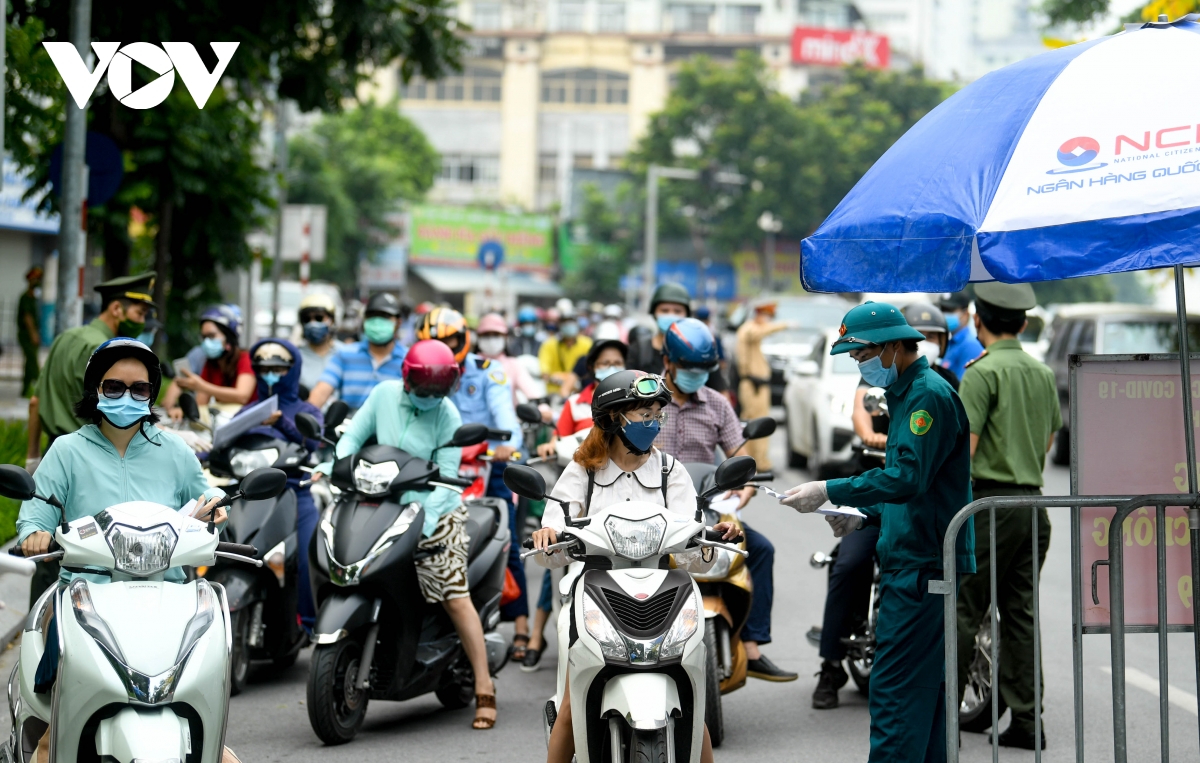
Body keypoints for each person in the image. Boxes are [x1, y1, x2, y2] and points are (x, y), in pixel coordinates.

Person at [16, 338, 231, 763]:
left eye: (139, 389)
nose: (126, 396)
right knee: (50, 740)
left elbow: (206, 492)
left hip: (168, 597)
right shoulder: (67, 450)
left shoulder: (172, 449)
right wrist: (35, 533)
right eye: (113, 387)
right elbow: (36, 512)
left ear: (151, 394)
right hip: (86, 596)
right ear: (95, 389)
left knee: (212, 737)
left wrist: (215, 505)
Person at [782, 301, 975, 763]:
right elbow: (916, 491)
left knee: (895, 697)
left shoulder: (926, 395)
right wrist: (865, 516)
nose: (859, 364)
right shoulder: (908, 393)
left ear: (892, 346)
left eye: (862, 354)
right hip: (917, 558)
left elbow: (908, 477)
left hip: (922, 567)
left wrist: (829, 487)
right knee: (924, 700)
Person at [529, 369, 737, 763]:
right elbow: (552, 533)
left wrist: (711, 537)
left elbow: (691, 539)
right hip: (592, 586)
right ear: (613, 418)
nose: (653, 423)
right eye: (644, 414)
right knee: (575, 702)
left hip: (662, 586)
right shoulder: (583, 471)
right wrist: (548, 535)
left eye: (658, 414)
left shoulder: (668, 470)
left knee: (691, 698)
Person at [316, 340, 498, 729]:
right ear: (407, 381)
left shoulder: (446, 414)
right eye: (423, 390)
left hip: (433, 510)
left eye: (438, 391)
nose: (430, 397)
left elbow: (449, 479)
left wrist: (427, 521)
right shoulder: (382, 395)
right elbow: (352, 436)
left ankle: (484, 687)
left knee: (453, 594)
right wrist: (338, 465)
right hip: (377, 501)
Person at [654, 317, 795, 681]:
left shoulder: (717, 404)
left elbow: (739, 457)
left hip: (707, 509)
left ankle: (752, 646)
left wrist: (744, 486)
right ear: (668, 361)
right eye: (688, 367)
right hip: (650, 511)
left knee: (759, 549)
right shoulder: (647, 399)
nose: (696, 374)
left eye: (704, 369)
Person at [954, 282, 1058, 751]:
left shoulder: (981, 372)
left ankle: (940, 710)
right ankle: (1027, 722)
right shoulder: (1040, 373)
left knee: (962, 608)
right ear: (1021, 322)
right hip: (1032, 505)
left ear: (979, 319)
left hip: (989, 505)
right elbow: (1047, 443)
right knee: (1020, 613)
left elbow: (965, 451)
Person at [418, 308, 530, 657]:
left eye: (449, 340)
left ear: (464, 339)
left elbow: (505, 418)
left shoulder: (488, 371)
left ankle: (522, 626)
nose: (443, 347)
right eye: (434, 341)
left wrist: (504, 446)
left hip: (486, 466)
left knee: (506, 540)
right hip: (436, 466)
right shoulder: (420, 371)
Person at [234, 339, 324, 629]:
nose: (270, 374)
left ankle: (309, 624)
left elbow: (313, 441)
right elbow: (222, 444)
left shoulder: (306, 410)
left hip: (294, 492)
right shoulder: (248, 411)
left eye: (278, 368)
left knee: (311, 557)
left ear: (292, 369)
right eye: (263, 368)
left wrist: (280, 423)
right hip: (248, 495)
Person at [308, 292, 407, 411]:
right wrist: (307, 417)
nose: (377, 321)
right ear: (364, 320)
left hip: (392, 427)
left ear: (398, 322)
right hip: (347, 427)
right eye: (372, 315)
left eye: (385, 316)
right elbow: (321, 392)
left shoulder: (408, 360)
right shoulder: (346, 354)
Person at [164, 305, 256, 420]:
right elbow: (200, 404)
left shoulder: (245, 358)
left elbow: (242, 396)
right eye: (204, 337)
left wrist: (201, 386)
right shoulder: (211, 363)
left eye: (211, 336)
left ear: (229, 336)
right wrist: (182, 411)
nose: (207, 341)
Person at [734, 299, 791, 471]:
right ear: (759, 315)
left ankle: (757, 461)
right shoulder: (749, 329)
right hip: (752, 385)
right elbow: (759, 332)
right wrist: (783, 325)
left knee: (758, 422)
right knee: (756, 424)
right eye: (767, 316)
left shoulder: (752, 330)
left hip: (758, 386)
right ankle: (756, 462)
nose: (768, 321)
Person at [476, 312, 542, 405]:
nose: (491, 340)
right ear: (478, 337)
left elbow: (531, 391)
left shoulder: (513, 364)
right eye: (486, 335)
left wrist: (541, 406)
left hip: (510, 417)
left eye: (496, 335)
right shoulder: (471, 364)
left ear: (505, 337)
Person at [901, 301, 960, 391]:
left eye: (931, 337)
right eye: (917, 336)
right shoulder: (890, 380)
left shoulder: (950, 380)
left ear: (941, 342)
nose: (924, 343)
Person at [538, 303, 592, 398]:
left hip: (581, 394)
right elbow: (545, 374)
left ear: (577, 324)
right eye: (565, 322)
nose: (568, 325)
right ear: (559, 325)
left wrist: (565, 378)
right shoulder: (548, 344)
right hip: (555, 394)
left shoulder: (587, 344)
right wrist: (569, 380)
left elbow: (592, 371)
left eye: (571, 322)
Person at [296, 293, 344, 399]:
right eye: (307, 319)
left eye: (319, 318)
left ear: (331, 320)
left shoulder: (344, 353)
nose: (312, 323)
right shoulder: (295, 357)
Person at [938, 291, 985, 381]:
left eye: (950, 310)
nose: (944, 315)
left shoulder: (970, 346)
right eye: (943, 310)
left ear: (965, 314)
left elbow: (963, 387)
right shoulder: (951, 343)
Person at [18, 267, 42, 398]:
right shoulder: (26, 297)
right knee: (33, 362)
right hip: (26, 335)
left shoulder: (32, 298)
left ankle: (25, 391)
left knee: (29, 363)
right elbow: (27, 317)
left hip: (31, 334)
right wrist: (33, 334)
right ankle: (40, 387)